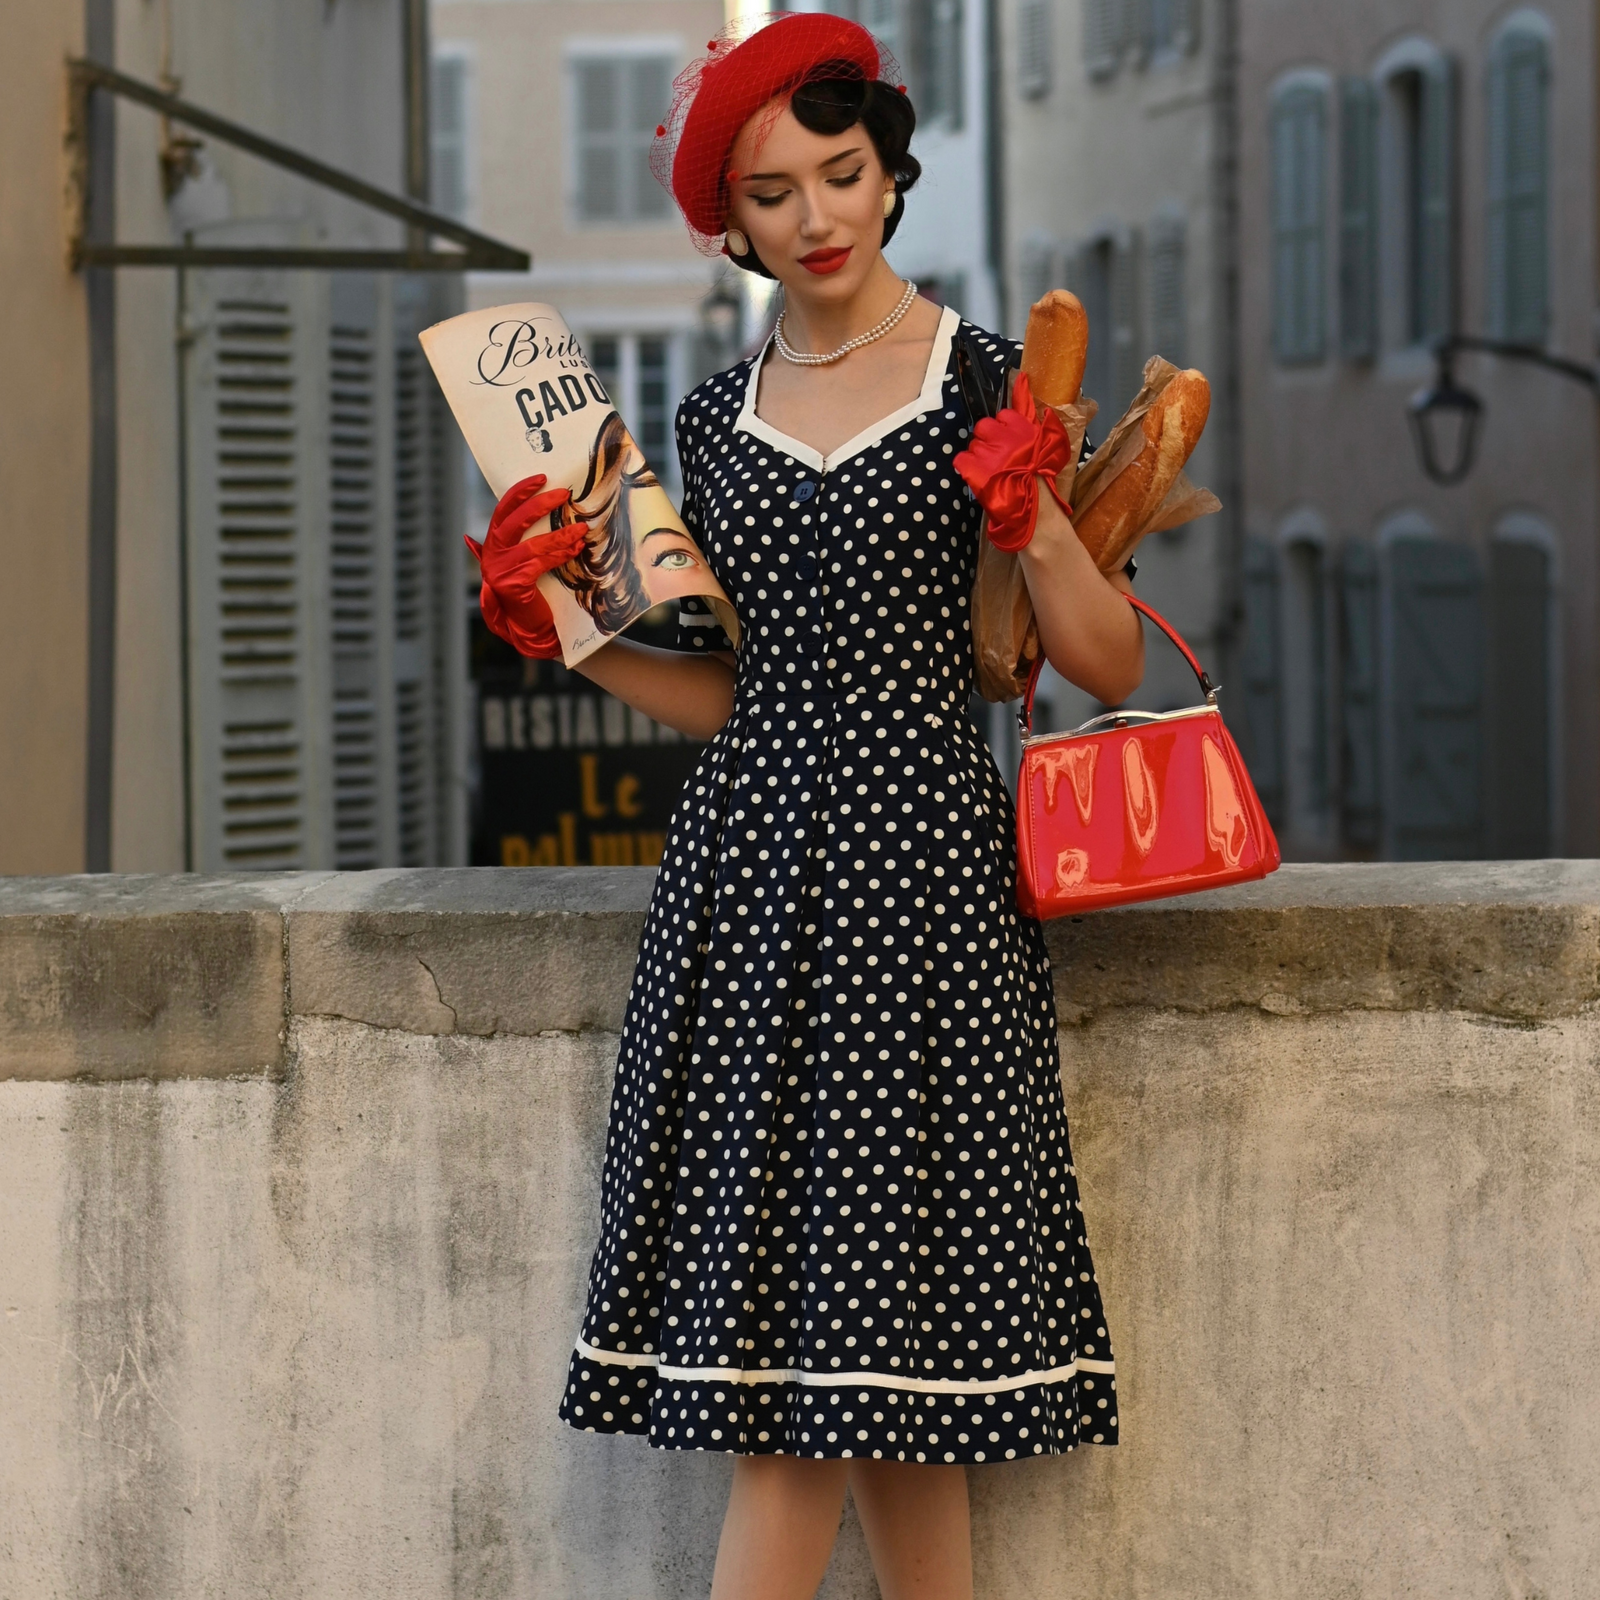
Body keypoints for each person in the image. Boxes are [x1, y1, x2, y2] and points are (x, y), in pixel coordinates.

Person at [469, 14, 1144, 1597]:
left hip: (925, 900)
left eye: (843, 174)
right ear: (734, 223)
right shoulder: (709, 420)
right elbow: (728, 691)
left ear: (892, 172)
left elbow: (1104, 663)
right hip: (750, 894)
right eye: (775, 193)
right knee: (861, 1409)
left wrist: (1037, 519)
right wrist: (565, 626)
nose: (819, 215)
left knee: (854, 1415)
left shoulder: (994, 380)